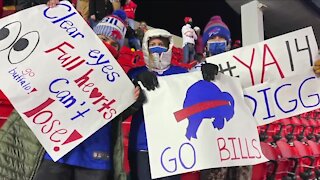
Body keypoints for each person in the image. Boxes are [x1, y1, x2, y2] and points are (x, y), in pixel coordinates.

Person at [0, 6, 143, 180]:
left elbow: (119, 111)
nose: (108, 46)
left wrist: (134, 98)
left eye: (114, 44)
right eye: (103, 38)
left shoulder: (120, 80)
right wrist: (51, 11)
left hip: (96, 156)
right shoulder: (63, 61)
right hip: (55, 151)